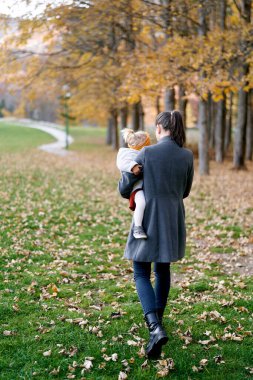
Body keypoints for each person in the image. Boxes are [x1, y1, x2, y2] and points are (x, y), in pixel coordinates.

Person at [118, 111, 194, 359]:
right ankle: (157, 325)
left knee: (140, 271)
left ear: (161, 128)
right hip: (172, 217)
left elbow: (124, 188)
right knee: (162, 270)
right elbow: (185, 191)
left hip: (148, 216)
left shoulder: (147, 153)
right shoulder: (187, 155)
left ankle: (154, 326)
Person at [116, 128, 151, 239]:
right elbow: (122, 164)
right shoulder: (126, 153)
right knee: (141, 203)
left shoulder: (142, 154)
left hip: (144, 186)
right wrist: (132, 166)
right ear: (142, 146)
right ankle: (137, 228)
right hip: (136, 187)